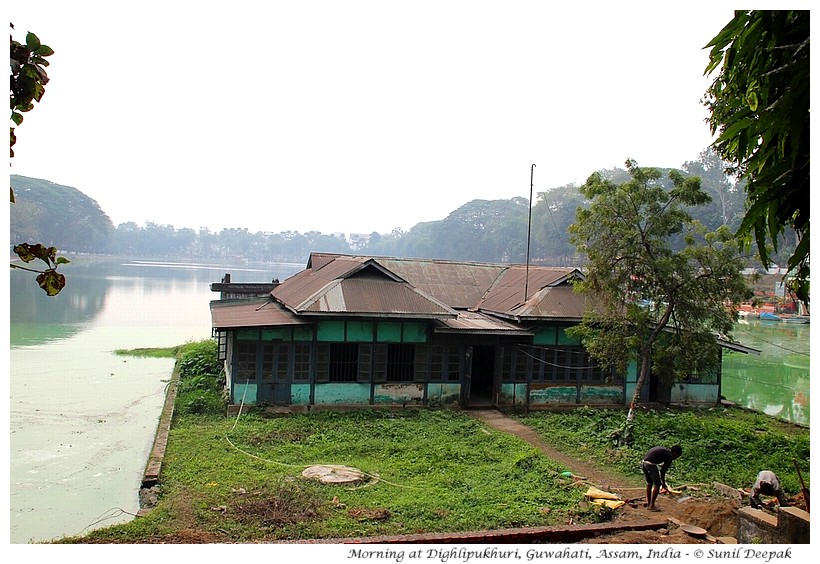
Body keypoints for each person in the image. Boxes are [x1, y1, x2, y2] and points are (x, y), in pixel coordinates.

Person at [641, 444, 683, 511]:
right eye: (677, 456)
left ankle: (649, 503)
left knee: (649, 483)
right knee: (657, 485)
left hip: (644, 462)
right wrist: (663, 484)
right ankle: (651, 506)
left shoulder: (666, 451)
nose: (676, 458)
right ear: (675, 453)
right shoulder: (669, 456)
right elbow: (662, 471)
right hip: (651, 464)